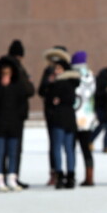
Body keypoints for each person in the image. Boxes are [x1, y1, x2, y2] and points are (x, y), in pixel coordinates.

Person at [0, 57, 28, 192]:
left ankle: (12, 178)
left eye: (8, 73)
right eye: (4, 73)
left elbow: (27, 94)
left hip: (13, 124)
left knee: (13, 152)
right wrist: (2, 87)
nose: (6, 76)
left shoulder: (18, 85)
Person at [42, 57, 80, 189]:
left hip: (59, 118)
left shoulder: (57, 83)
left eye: (58, 68)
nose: (56, 71)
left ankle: (60, 175)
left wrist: (55, 96)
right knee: (69, 149)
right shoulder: (72, 83)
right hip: (69, 119)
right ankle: (70, 176)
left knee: (58, 147)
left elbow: (49, 99)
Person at [2, 40, 35, 189]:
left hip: (2, 114)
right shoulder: (19, 70)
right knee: (15, 148)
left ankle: (2, 176)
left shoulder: (1, 67)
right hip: (16, 115)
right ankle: (13, 176)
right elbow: (29, 90)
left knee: (2, 148)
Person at [39, 46, 71, 185]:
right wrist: (49, 82)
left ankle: (69, 174)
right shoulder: (48, 71)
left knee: (68, 146)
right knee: (54, 144)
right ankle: (55, 172)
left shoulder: (70, 72)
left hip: (66, 113)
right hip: (52, 112)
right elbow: (41, 91)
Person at [71, 51, 97, 186]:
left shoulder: (73, 74)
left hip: (74, 117)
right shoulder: (90, 74)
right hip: (88, 118)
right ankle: (89, 176)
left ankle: (71, 175)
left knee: (71, 149)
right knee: (86, 149)